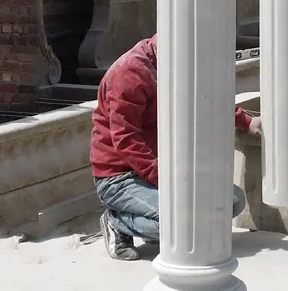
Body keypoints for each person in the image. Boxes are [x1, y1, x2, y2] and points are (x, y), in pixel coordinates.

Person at [90, 34, 261, 260]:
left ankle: (156, 225)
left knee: (230, 201)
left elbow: (205, 99)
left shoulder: (179, 63)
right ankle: (117, 221)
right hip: (120, 177)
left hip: (162, 168)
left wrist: (246, 122)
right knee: (186, 226)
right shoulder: (128, 74)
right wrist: (168, 183)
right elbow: (126, 139)